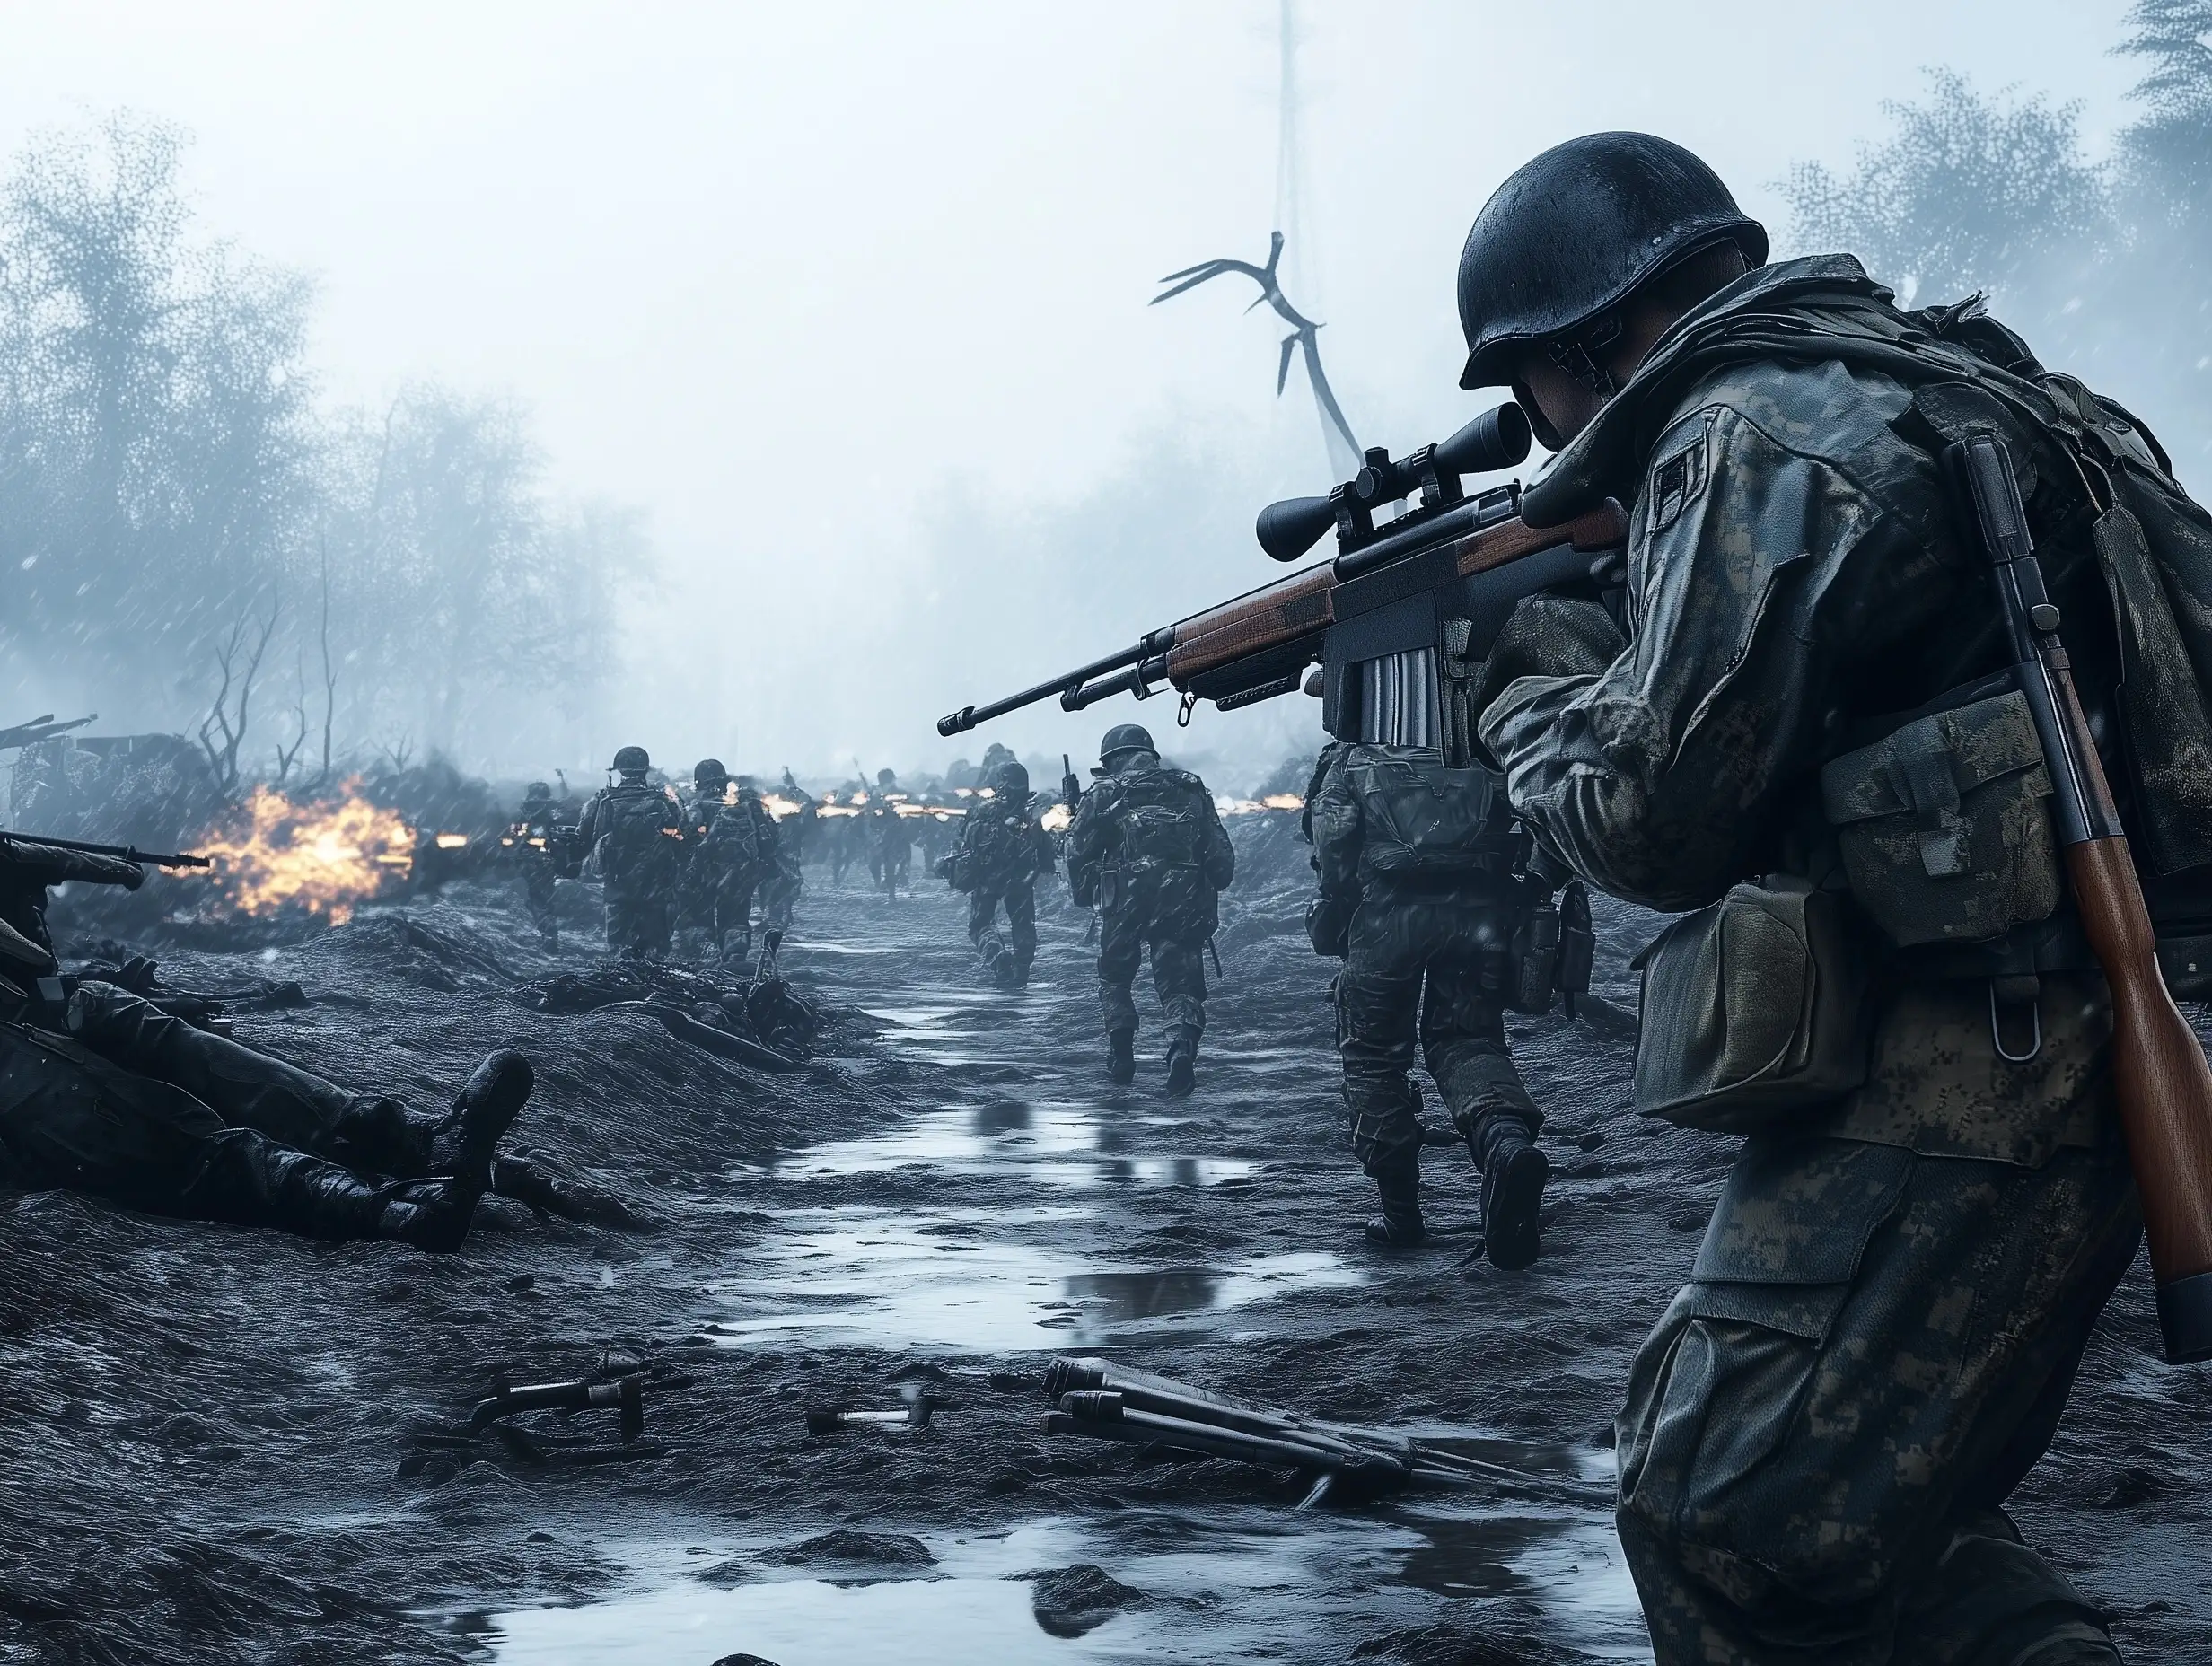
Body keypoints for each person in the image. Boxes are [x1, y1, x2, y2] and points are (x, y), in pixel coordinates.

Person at [1460, 130, 2208, 1665]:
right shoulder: (1952, 376)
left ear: (1588, 343)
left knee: (1716, 1514)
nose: (1528, 422)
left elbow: (1646, 820)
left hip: (1976, 1059)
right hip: (2063, 1024)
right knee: (1865, 1510)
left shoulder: (1751, 435)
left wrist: (1525, 686)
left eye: (1524, 378)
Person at [0, 837, 531, 1251]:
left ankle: (411, 1144)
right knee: (153, 1131)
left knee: (139, 1023)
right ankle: (378, 1209)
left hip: (22, 1005)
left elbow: (44, 953)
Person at [1303, 740, 1551, 1266]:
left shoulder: (1353, 753)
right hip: (1479, 915)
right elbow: (1541, 812)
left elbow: (1331, 832)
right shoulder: (1485, 738)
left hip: (1388, 918)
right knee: (1469, 1040)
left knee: (1373, 1058)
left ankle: (1402, 1217)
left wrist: (1338, 895)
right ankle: (1505, 1145)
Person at [1063, 723, 1234, 1097]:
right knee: (1181, 985)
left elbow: (1076, 851)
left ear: (1112, 760)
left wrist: (1084, 892)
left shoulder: (1104, 791)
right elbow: (1220, 856)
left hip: (1123, 898)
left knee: (1115, 978)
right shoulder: (1190, 786)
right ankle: (1180, 1051)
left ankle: (1121, 1055)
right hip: (1183, 897)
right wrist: (1209, 883)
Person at [941, 758, 1055, 989]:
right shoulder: (1033, 812)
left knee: (980, 924)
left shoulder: (982, 809)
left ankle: (998, 958)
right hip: (1021, 878)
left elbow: (964, 841)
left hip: (987, 876)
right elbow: (1046, 848)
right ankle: (1021, 969)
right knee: (1023, 923)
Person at [575, 746, 684, 960]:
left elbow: (583, 832)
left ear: (619, 772)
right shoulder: (660, 801)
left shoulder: (603, 800)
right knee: (656, 942)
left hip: (618, 879)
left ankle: (620, 977)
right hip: (655, 880)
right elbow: (682, 830)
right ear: (645, 771)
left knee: (618, 942)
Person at [683, 759, 778, 963]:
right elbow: (771, 835)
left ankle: (706, 958)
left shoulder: (699, 805)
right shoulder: (749, 806)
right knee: (736, 917)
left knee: (701, 917)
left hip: (706, 870)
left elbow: (686, 832)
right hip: (742, 871)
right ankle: (735, 954)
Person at [508, 780, 567, 951]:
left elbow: (515, 836)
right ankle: (549, 935)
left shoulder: (524, 810)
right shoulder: (555, 809)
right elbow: (562, 833)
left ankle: (547, 935)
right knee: (544, 900)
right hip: (547, 859)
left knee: (537, 899)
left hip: (530, 860)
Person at [760, 768, 813, 929]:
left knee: (785, 882)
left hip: (787, 850)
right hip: (776, 848)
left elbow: (806, 818)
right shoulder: (776, 797)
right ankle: (776, 916)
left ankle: (782, 915)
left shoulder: (798, 800)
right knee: (774, 882)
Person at [864, 767, 911, 899]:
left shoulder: (900, 793)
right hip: (878, 832)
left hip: (895, 831)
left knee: (892, 863)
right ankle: (882, 885)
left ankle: (891, 893)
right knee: (875, 863)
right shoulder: (875, 793)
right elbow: (869, 811)